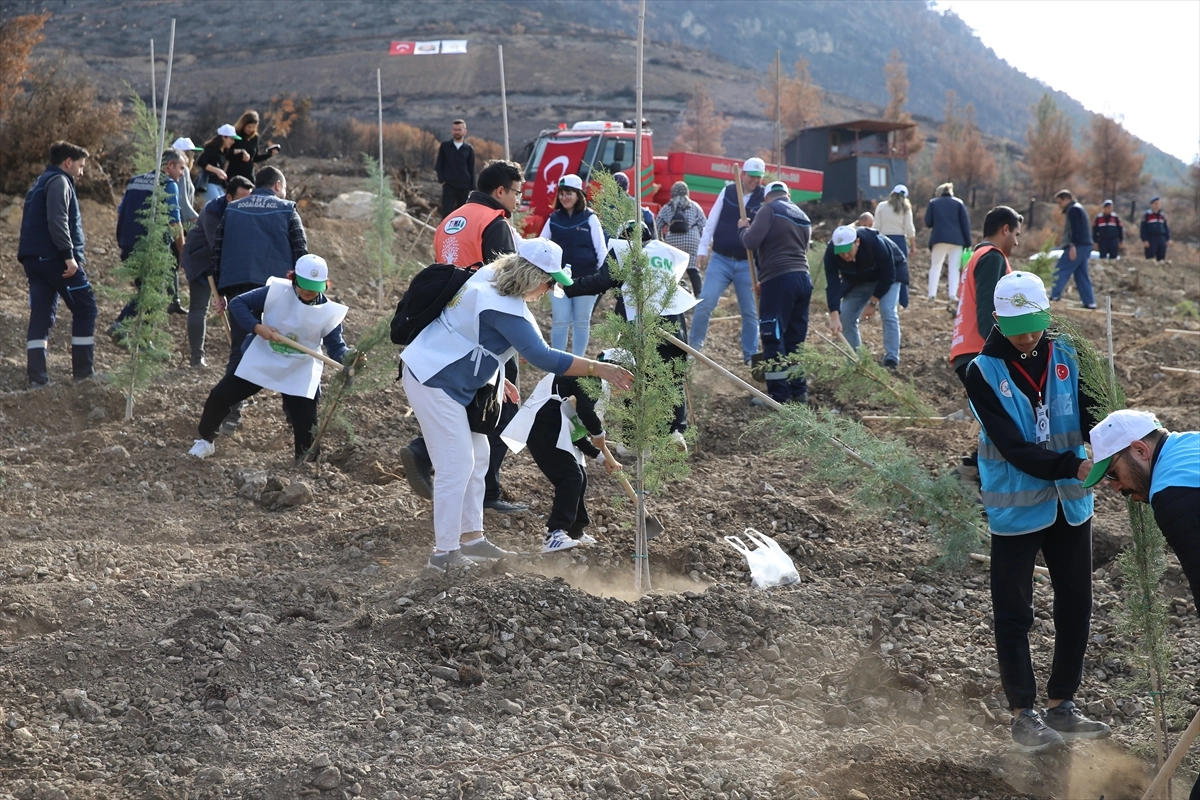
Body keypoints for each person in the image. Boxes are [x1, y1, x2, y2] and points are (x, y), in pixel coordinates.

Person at [399, 238, 634, 572]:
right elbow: (543, 357)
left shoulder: (490, 278)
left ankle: (472, 539)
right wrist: (600, 369)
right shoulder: (505, 308)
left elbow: (472, 331)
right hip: (433, 380)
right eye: (550, 282)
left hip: (448, 374)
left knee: (478, 457)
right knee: (456, 464)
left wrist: (495, 374)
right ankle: (445, 554)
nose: (550, 290)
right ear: (532, 275)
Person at [964, 270, 1109, 753]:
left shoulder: (1068, 354)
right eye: (1018, 326)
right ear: (999, 320)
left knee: (1077, 604)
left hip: (1071, 504)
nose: (1028, 336)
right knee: (1014, 612)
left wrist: (1109, 449)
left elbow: (1094, 418)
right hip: (1018, 506)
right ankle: (1023, 712)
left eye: (1035, 324)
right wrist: (1074, 463)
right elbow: (1013, 447)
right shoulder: (981, 372)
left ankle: (1062, 702)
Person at [408, 160, 529, 512]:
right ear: (500, 191)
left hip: (448, 322)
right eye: (517, 193)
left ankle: (432, 455)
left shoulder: (451, 219)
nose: (519, 201)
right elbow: (505, 283)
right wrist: (517, 337)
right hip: (485, 327)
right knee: (500, 408)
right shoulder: (495, 223)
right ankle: (483, 491)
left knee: (462, 401)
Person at [189, 255, 348, 462]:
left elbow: (336, 346)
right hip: (264, 356)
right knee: (220, 396)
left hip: (298, 369)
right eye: (304, 285)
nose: (308, 291)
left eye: (314, 287)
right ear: (294, 280)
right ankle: (206, 441)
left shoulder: (328, 312)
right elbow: (238, 304)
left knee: (306, 423)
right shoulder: (276, 292)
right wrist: (258, 327)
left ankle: (306, 463)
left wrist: (348, 357)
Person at [561, 219, 695, 449]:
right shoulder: (665, 254)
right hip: (673, 329)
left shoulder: (625, 250)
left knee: (635, 380)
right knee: (672, 380)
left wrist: (570, 286)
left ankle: (634, 441)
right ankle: (674, 433)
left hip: (640, 329)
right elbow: (684, 287)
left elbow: (603, 279)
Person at [210, 165, 307, 433]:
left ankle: (229, 416)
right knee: (288, 349)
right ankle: (294, 418)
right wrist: (304, 293)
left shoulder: (232, 208)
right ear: (277, 185)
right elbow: (301, 251)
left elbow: (217, 251)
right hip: (276, 288)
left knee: (239, 350)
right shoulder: (287, 208)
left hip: (237, 287)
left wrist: (220, 292)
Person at [1083, 411, 1200, 604]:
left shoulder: (1172, 494)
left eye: (1113, 473)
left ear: (1140, 450)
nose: (1115, 487)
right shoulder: (1191, 442)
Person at [500, 369, 622, 553]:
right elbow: (585, 414)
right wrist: (599, 434)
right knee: (570, 477)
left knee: (579, 476)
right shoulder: (590, 377)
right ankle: (554, 534)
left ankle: (575, 531)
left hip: (555, 429)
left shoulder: (591, 383)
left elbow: (576, 429)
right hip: (541, 430)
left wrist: (599, 456)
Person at [949, 206, 1022, 490]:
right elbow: (988, 314)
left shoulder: (976, 257)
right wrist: (1011, 352)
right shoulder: (993, 257)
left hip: (966, 351)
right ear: (1005, 229)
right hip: (979, 353)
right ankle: (977, 475)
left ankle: (974, 470)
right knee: (1008, 417)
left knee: (999, 418)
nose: (1016, 242)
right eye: (1015, 234)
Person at [18, 141, 97, 388]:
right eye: (81, 166)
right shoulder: (60, 181)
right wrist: (68, 255)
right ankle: (84, 375)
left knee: (41, 316)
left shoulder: (40, 182)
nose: (82, 172)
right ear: (68, 163)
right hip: (54, 258)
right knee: (86, 307)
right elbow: (58, 220)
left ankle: (37, 379)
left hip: (34, 259)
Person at [738, 180, 812, 404]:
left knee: (773, 336)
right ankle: (799, 392)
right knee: (795, 339)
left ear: (767, 197)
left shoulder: (768, 210)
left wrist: (742, 227)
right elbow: (800, 250)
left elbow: (751, 242)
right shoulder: (803, 216)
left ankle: (778, 396)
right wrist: (766, 280)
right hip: (802, 279)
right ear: (788, 195)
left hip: (780, 279)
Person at [690, 157, 767, 365]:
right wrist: (702, 249)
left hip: (747, 264)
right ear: (743, 175)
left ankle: (750, 356)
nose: (756, 181)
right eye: (752, 177)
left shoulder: (764, 198)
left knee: (750, 312)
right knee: (705, 302)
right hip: (721, 260)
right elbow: (711, 221)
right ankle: (694, 348)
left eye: (759, 178)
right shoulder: (730, 191)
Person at [180, 175, 254, 368]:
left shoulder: (246, 212)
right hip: (201, 261)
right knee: (199, 307)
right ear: (229, 197)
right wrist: (221, 291)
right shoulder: (213, 211)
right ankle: (197, 358)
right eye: (242, 199)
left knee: (236, 307)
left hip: (225, 263)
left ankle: (239, 356)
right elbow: (218, 248)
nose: (247, 204)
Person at [111, 149, 187, 331]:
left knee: (146, 290)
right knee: (154, 292)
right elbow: (174, 222)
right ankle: (129, 330)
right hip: (152, 247)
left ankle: (128, 330)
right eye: (181, 168)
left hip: (128, 244)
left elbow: (121, 211)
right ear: (170, 165)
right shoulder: (168, 184)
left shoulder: (134, 181)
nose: (182, 174)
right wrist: (184, 252)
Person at [540, 174, 608, 355]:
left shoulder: (590, 218)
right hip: (559, 278)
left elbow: (601, 250)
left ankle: (578, 364)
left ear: (579, 194)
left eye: (568, 193)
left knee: (581, 322)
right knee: (560, 321)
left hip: (587, 278)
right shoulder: (553, 218)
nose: (564, 197)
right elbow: (541, 245)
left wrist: (603, 279)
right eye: (561, 193)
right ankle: (557, 364)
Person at [824, 224, 904, 369]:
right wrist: (834, 315)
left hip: (889, 274)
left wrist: (872, 302)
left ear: (857, 242)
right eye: (841, 253)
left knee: (887, 311)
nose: (845, 256)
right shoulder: (831, 253)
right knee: (846, 316)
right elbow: (833, 285)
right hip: (860, 278)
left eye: (848, 251)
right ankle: (857, 361)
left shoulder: (875, 243)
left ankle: (891, 358)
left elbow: (889, 275)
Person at [654, 180, 706, 297]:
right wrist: (700, 241)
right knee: (692, 268)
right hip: (692, 240)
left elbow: (657, 224)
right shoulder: (694, 206)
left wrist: (661, 240)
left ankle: (673, 296)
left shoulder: (667, 207)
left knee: (673, 269)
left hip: (673, 242)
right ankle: (699, 295)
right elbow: (703, 224)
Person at [924, 182, 972, 302]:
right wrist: (968, 242)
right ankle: (952, 295)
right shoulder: (959, 203)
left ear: (939, 193)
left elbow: (928, 222)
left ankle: (931, 295)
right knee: (954, 268)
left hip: (938, 239)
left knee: (935, 267)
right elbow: (965, 225)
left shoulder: (933, 203)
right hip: (957, 240)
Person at [1049, 189, 1095, 309]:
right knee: (1081, 274)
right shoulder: (1077, 208)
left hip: (1078, 246)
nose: (1059, 205)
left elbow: (1076, 229)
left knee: (1061, 270)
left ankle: (1054, 296)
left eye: (1060, 202)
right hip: (1084, 245)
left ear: (1067, 199)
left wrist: (1073, 245)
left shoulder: (1073, 209)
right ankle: (1089, 302)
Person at [434, 118, 476, 216]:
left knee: (464, 214)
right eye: (455, 129)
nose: (457, 132)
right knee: (447, 213)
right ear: (452, 130)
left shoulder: (469, 149)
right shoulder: (445, 146)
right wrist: (442, 180)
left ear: (465, 131)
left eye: (459, 130)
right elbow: (439, 165)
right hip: (449, 185)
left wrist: (473, 188)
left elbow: (472, 168)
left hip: (464, 186)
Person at [225, 110, 279, 183]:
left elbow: (254, 158)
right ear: (243, 124)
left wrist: (269, 154)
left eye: (253, 127)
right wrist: (240, 154)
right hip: (234, 174)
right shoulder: (235, 135)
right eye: (248, 127)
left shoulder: (255, 138)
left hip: (249, 176)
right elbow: (226, 154)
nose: (250, 129)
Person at [195, 124, 240, 204]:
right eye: (231, 139)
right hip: (209, 183)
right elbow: (201, 161)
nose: (233, 142)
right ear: (223, 137)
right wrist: (217, 170)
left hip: (218, 184)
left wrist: (242, 151)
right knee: (217, 206)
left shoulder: (224, 152)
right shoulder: (211, 149)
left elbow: (232, 152)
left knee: (225, 205)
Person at [612, 172, 656, 240]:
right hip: (628, 241)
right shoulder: (631, 202)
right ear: (626, 186)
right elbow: (649, 217)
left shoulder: (604, 203)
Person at [169, 138, 202, 224]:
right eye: (193, 155)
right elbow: (182, 199)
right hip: (179, 221)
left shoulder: (169, 170)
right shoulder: (184, 171)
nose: (194, 159)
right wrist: (196, 219)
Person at [1140, 196, 1170, 261]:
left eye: (1158, 203)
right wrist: (1144, 240)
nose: (1157, 205)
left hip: (1161, 238)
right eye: (1155, 203)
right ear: (1151, 204)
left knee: (1161, 257)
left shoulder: (1162, 215)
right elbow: (1143, 228)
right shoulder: (1147, 215)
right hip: (1151, 238)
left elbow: (1166, 228)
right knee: (1150, 257)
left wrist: (1167, 239)